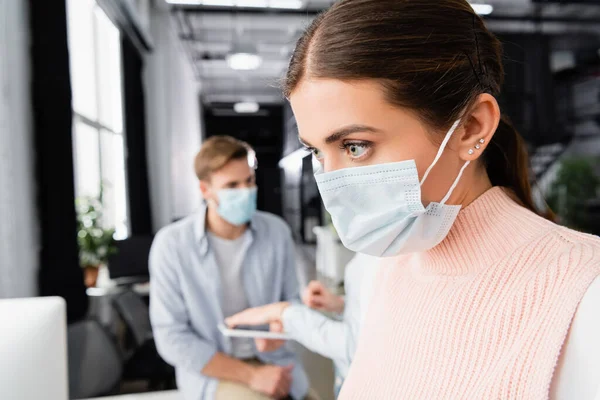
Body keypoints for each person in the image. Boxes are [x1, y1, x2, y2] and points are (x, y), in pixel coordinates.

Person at [225, 1, 600, 398]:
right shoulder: (383, 266)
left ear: (471, 127)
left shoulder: (584, 292)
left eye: (354, 147)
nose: (331, 183)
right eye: (317, 152)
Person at [149, 136, 311, 400]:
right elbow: (171, 337)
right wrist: (252, 376)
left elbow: (292, 301)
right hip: (216, 372)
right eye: (232, 185)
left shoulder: (276, 232)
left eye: (249, 181)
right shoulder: (172, 245)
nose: (246, 191)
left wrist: (281, 330)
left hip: (275, 361)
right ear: (205, 190)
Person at [290, 253, 379, 397]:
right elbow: (370, 315)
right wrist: (340, 305)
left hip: (367, 385)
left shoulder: (387, 260)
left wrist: (286, 315)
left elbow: (357, 349)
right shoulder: (367, 252)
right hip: (346, 378)